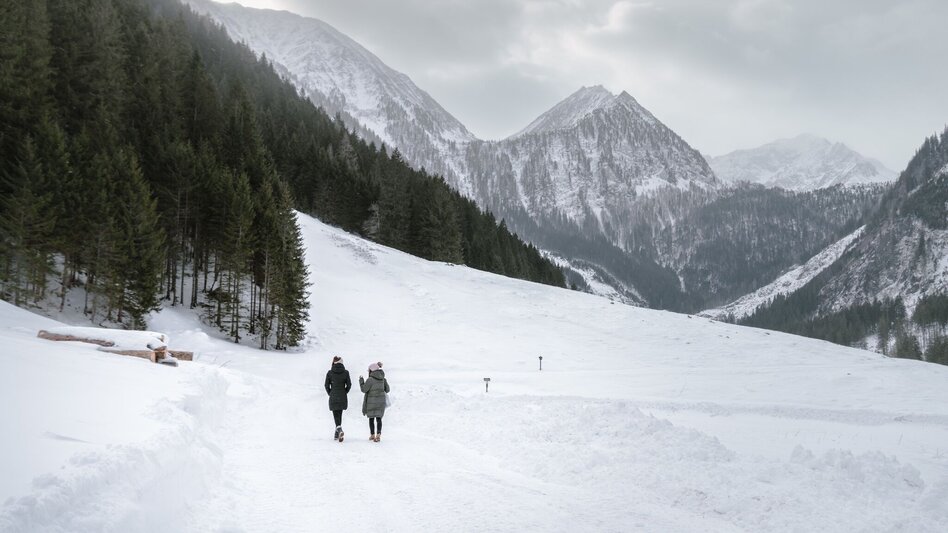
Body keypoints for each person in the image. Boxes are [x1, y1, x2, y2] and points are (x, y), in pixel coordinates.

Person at [359, 361, 390, 442]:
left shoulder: (370, 380)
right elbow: (388, 389)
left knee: (371, 418)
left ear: (371, 371)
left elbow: (364, 389)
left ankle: (372, 435)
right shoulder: (383, 379)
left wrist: (361, 381)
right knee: (379, 418)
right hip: (380, 402)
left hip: (371, 402)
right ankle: (378, 434)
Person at [325, 356, 351, 442]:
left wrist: (330, 393)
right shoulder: (346, 372)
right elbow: (349, 385)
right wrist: (344, 392)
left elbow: (326, 385)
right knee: (339, 413)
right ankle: (337, 432)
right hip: (342, 396)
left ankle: (339, 430)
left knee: (335, 414)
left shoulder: (330, 373)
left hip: (333, 395)